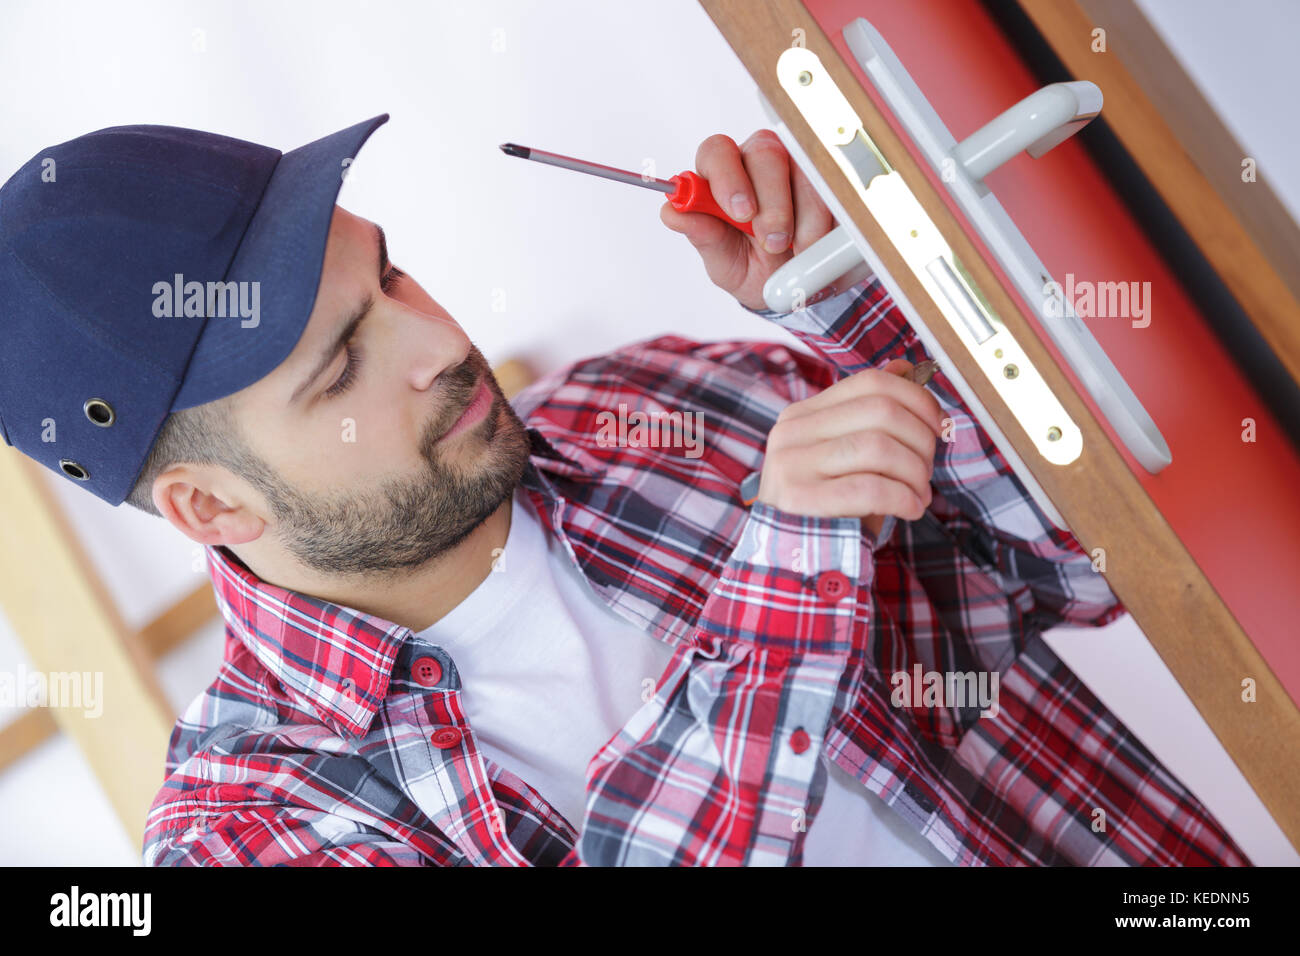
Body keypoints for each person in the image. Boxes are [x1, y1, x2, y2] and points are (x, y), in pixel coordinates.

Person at [0, 115, 1247, 866]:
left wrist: (852, 297)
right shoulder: (244, 829)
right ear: (213, 509)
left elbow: (1104, 558)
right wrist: (786, 589)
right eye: (342, 360)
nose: (435, 343)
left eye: (392, 279)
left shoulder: (657, 408)